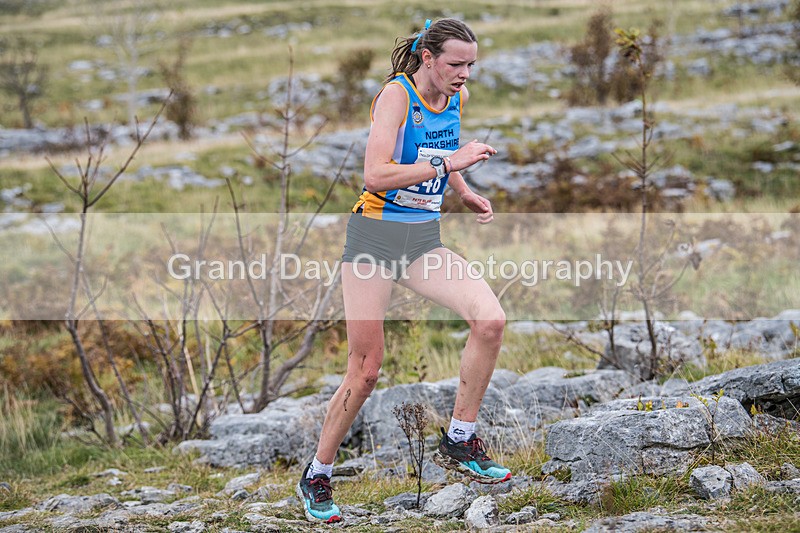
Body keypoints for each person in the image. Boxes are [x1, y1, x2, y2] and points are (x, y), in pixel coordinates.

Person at [296, 18, 511, 524]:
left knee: (491, 321)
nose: (465, 74)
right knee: (367, 370)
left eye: (471, 65)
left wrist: (463, 189)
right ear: (428, 58)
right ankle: (318, 473)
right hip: (374, 238)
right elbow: (377, 173)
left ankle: (460, 440)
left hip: (422, 239)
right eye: (456, 64)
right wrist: (448, 166)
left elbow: (441, 152)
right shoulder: (397, 97)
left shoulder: (454, 96)